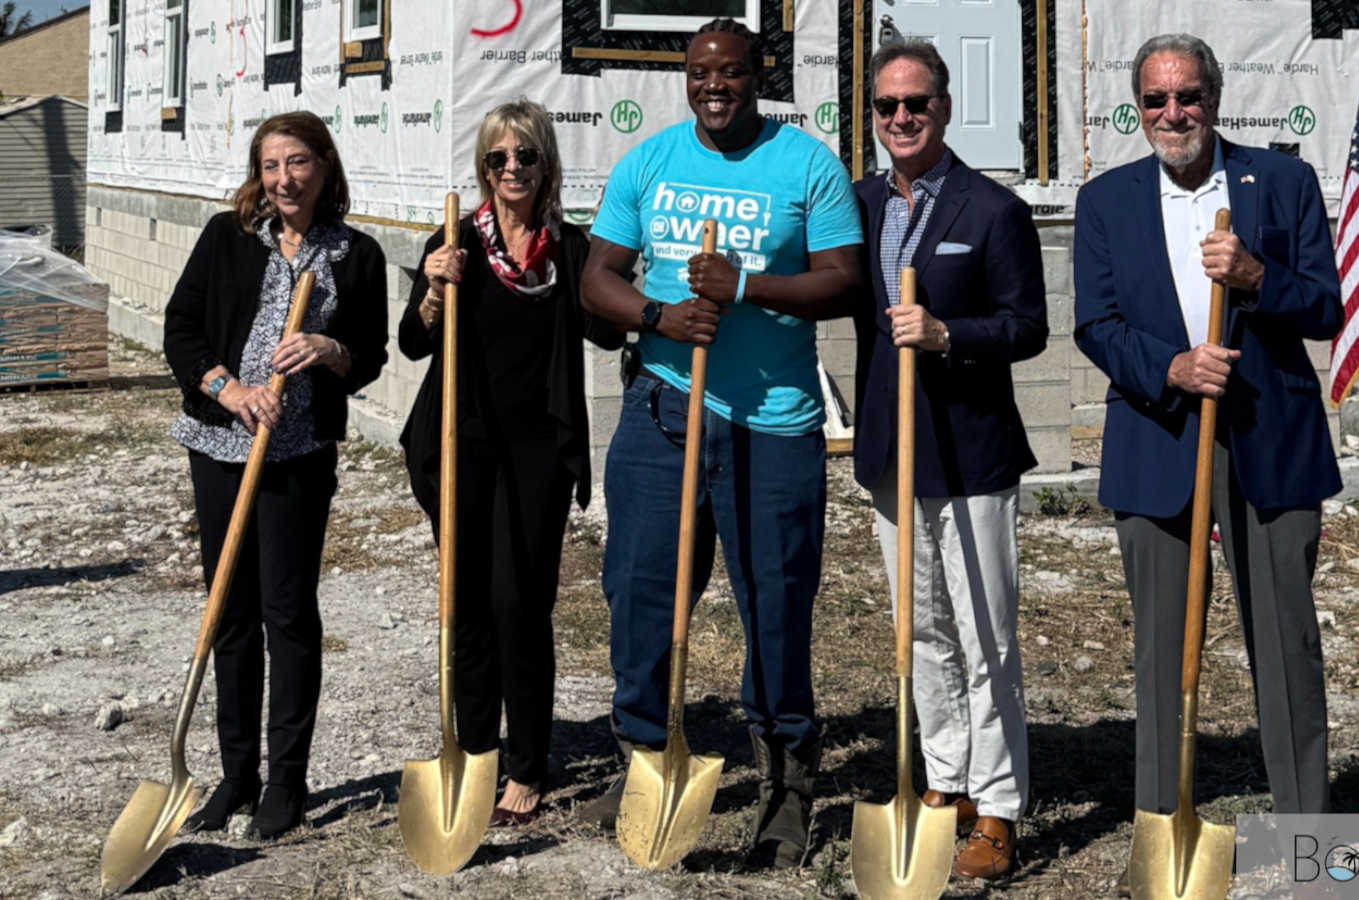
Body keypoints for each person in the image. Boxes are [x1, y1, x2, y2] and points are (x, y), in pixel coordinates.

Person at [578, 17, 863, 868]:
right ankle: (645, 756)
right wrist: (659, 315)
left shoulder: (806, 164)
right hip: (664, 411)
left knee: (774, 602)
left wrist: (746, 284)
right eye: (702, 72)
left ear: (757, 75)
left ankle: (785, 779)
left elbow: (845, 283)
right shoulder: (652, 161)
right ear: (686, 76)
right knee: (639, 590)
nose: (715, 86)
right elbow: (597, 279)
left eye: (732, 73)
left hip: (772, 421)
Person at [1072, 33, 1342, 887]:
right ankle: (1166, 830)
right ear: (1137, 109)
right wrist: (1171, 368)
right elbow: (1096, 323)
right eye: (1155, 100)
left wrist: (1259, 274)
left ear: (1215, 97)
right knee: (1161, 650)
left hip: (1270, 443)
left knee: (1287, 645)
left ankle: (1307, 835)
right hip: (1160, 439)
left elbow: (1327, 307)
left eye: (1187, 96)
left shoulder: (1282, 182)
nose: (1173, 114)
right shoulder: (1106, 200)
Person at [851, 41, 1047, 881]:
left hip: (971, 454)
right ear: (872, 115)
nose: (902, 118)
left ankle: (999, 805)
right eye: (888, 107)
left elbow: (1028, 326)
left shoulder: (991, 209)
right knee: (920, 630)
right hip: (894, 451)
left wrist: (947, 335)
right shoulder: (855, 204)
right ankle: (948, 781)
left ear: (944, 106)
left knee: (986, 634)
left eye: (917, 104)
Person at [397, 100, 623, 826]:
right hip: (460, 443)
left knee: (520, 604)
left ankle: (527, 764)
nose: (512, 169)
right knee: (465, 604)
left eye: (525, 156)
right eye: (498, 158)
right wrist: (434, 288)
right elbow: (411, 342)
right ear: (483, 169)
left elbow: (605, 333)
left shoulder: (573, 251)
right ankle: (472, 753)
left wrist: (631, 289)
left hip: (537, 452)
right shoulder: (457, 242)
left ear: (547, 164)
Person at [165, 111, 388, 839]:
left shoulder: (355, 254)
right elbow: (182, 328)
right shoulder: (227, 239)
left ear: (325, 167)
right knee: (230, 611)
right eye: (270, 166)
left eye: (297, 163)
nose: (284, 179)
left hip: (296, 454)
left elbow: (371, 354)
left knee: (288, 614)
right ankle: (236, 775)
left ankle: (285, 784)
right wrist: (229, 389)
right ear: (257, 175)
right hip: (220, 444)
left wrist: (330, 347)